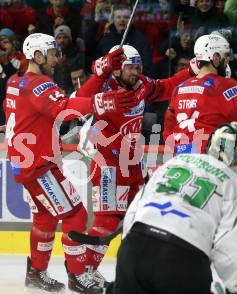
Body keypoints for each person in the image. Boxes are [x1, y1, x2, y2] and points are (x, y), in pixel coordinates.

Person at [4, 33, 131, 293]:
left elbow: (70, 100)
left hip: (26, 165)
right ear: (37, 56)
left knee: (45, 218)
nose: (56, 58)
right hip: (40, 167)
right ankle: (77, 276)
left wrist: (101, 73)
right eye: (52, 53)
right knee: (76, 214)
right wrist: (103, 101)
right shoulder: (39, 85)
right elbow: (67, 108)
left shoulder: (16, 81)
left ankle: (36, 273)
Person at [74, 44, 198, 289]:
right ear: (117, 68)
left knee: (137, 216)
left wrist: (194, 68)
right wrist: (99, 72)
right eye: (130, 67)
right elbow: (77, 102)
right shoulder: (105, 87)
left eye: (138, 66)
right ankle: (83, 272)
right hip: (107, 163)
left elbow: (166, 86)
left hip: (133, 163)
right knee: (108, 219)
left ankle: (118, 269)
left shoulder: (141, 85)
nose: (135, 72)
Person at [112, 122, 237, 294]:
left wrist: (127, 263)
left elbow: (136, 208)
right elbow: (234, 246)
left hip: (135, 247)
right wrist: (233, 287)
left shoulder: (176, 162)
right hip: (182, 258)